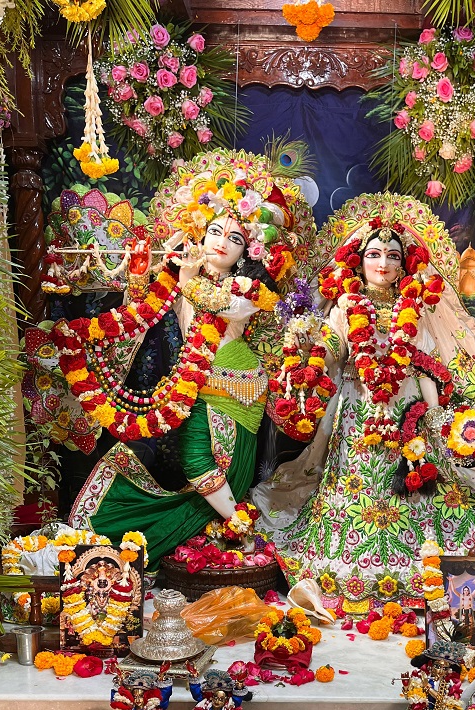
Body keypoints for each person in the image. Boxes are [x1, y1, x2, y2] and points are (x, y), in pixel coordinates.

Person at [253, 192, 475, 612]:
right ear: (357, 262)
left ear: (404, 265)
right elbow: (335, 352)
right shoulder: (345, 305)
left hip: (407, 410)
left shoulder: (414, 304)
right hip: (357, 408)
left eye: (392, 256)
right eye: (374, 254)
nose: (383, 263)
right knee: (357, 483)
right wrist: (312, 345)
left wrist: (432, 415)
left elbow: (427, 364)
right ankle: (352, 564)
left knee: (418, 485)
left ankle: (422, 562)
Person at [65, 150, 312, 573]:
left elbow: (227, 308)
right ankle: (231, 528)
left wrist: (185, 279)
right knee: (196, 465)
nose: (220, 241)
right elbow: (142, 313)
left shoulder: (248, 288)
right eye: (214, 230)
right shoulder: (180, 276)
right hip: (192, 382)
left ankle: (239, 529)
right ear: (199, 231)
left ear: (246, 251)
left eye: (234, 238)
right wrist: (152, 274)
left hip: (237, 388)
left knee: (210, 467)